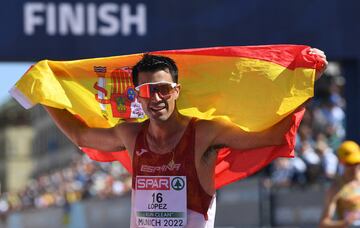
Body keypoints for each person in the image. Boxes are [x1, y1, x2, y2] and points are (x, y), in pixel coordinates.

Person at [44, 49, 327, 227]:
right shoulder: (130, 134)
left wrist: (305, 83)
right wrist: (44, 92)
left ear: (176, 91)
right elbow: (79, 134)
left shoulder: (204, 132)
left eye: (163, 89)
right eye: (146, 90)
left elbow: (273, 135)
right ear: (137, 96)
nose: (155, 98)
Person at [320, 140, 360, 227]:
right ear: (341, 162)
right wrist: (345, 223)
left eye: (357, 163)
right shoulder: (335, 188)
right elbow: (324, 223)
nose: (354, 167)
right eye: (350, 163)